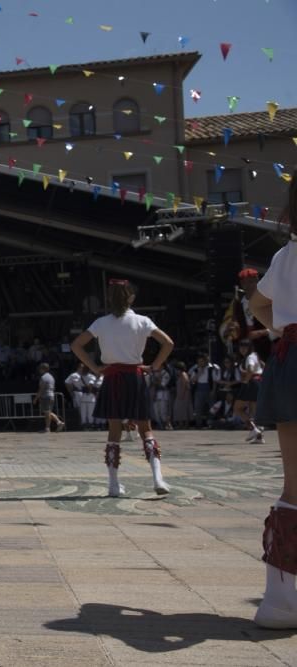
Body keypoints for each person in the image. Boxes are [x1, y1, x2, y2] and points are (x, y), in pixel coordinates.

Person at [71, 279, 174, 498]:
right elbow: (168, 343)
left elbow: (76, 345)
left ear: (109, 298)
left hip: (112, 377)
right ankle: (157, 478)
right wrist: (154, 366)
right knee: (145, 429)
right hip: (135, 376)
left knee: (114, 432)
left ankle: (113, 485)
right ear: (131, 298)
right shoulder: (142, 321)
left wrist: (96, 368)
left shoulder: (101, 323)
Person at [249, 173, 297, 628]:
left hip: (292, 360)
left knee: (294, 486)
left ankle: (279, 600)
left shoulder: (287, 254)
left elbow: (258, 304)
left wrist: (282, 327)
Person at [236, 339, 266, 444]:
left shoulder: (250, 357)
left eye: (245, 347)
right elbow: (264, 366)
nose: (242, 349)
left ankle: (253, 429)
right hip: (258, 382)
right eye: (241, 347)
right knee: (253, 411)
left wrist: (245, 381)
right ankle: (259, 437)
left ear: (250, 347)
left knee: (237, 408)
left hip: (251, 383)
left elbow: (251, 369)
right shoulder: (255, 355)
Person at [189, 353, 220, 428]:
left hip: (209, 388)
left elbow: (215, 381)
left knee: (212, 407)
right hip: (199, 389)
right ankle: (198, 423)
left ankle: (211, 423)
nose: (200, 363)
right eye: (199, 361)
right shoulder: (196, 369)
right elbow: (193, 380)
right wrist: (199, 373)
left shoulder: (211, 368)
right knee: (198, 407)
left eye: (202, 361)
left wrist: (213, 390)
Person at [36, 363, 65, 434]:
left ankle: (48, 428)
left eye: (40, 369)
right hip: (51, 395)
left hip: (46, 396)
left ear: (43, 369)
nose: (39, 370)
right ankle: (58, 423)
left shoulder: (43, 377)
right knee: (48, 412)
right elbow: (53, 387)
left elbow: (41, 389)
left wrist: (36, 398)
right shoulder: (51, 377)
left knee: (47, 413)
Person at [65, 365, 87, 430]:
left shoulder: (86, 375)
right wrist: (70, 392)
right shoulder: (73, 375)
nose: (83, 369)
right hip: (78, 393)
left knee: (86, 409)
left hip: (86, 393)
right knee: (79, 409)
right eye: (82, 367)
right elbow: (67, 382)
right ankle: (81, 424)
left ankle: (86, 424)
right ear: (78, 367)